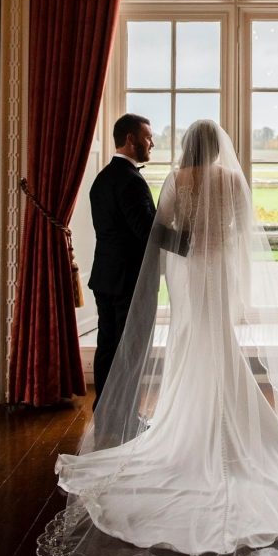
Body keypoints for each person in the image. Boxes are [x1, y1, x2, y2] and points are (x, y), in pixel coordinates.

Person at [39, 121, 278, 556]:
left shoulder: (176, 181)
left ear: (186, 147)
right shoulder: (233, 181)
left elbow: (159, 233)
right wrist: (215, 244)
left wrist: (191, 247)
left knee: (191, 342)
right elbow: (242, 229)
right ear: (218, 147)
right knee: (220, 342)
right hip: (218, 271)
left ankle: (187, 425)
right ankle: (230, 427)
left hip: (191, 274)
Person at [88, 113, 156, 409]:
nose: (151, 143)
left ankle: (105, 411)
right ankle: (126, 418)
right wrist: (190, 242)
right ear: (131, 139)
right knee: (131, 350)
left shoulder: (102, 178)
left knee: (108, 348)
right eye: (147, 137)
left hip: (105, 276)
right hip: (129, 280)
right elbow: (146, 231)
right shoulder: (130, 181)